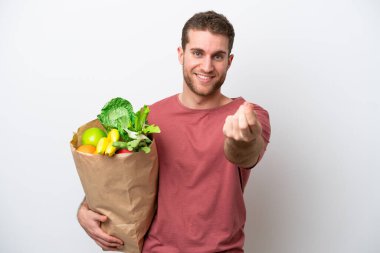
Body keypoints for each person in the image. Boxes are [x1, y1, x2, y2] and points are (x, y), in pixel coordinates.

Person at [77, 10, 271, 252]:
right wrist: (84, 209)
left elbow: (245, 154)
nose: (207, 66)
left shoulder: (249, 116)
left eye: (218, 56)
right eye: (198, 53)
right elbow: (121, 174)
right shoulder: (148, 118)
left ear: (229, 61)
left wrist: (242, 140)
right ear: (181, 55)